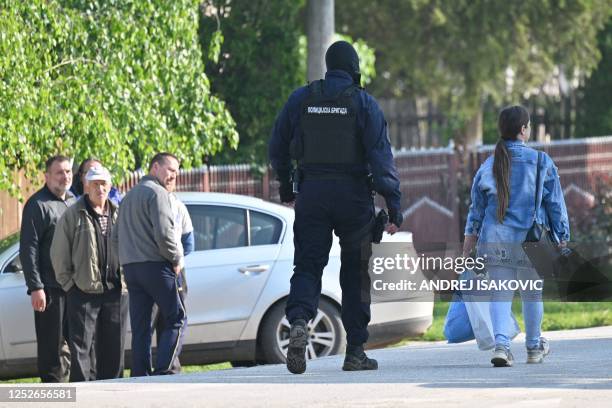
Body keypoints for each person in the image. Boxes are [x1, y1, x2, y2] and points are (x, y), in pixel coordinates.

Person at [268, 40, 403, 374]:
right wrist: (394, 204)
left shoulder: (302, 98)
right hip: (353, 195)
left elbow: (277, 147)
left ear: (328, 67)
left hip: (312, 192)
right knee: (355, 273)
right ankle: (355, 350)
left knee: (308, 265)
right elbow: (381, 159)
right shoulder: (364, 103)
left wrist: (287, 185)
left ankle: (299, 320)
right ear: (354, 67)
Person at [463, 105, 569, 367]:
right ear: (523, 130)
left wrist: (468, 246)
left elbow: (475, 211)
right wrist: (561, 236)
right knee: (532, 294)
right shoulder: (542, 161)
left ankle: (502, 346)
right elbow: (555, 204)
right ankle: (533, 348)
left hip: (495, 240)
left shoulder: (488, 165)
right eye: (529, 125)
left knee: (501, 293)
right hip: (532, 241)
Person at [51, 166, 128, 381]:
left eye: (104, 184)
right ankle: (84, 396)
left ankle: (112, 393)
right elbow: (58, 253)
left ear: (110, 186)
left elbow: (129, 247)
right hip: (83, 292)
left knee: (114, 349)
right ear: (86, 186)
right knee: (81, 351)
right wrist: (70, 287)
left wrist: (125, 281)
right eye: (95, 184)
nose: (100, 188)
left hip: (115, 292)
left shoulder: (118, 213)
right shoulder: (73, 214)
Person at [113, 152, 186, 376]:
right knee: (177, 317)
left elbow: (115, 237)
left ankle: (140, 373)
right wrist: (175, 259)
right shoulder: (159, 193)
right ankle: (163, 369)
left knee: (141, 327)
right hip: (156, 266)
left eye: (176, 171)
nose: (174, 175)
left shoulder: (127, 197)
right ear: (155, 167)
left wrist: (126, 261)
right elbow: (165, 235)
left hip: (131, 269)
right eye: (170, 169)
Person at [20, 155, 76, 382]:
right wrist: (36, 287)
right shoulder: (37, 205)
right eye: (60, 172)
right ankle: (53, 397)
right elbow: (28, 249)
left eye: (68, 172)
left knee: (76, 345)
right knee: (52, 347)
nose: (65, 177)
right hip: (50, 289)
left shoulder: (73, 201)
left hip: (75, 287)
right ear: (47, 176)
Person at [152, 182, 194, 374]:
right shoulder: (161, 203)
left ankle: (166, 366)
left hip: (168, 270)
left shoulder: (177, 205)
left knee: (169, 321)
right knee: (172, 320)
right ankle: (166, 366)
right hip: (165, 269)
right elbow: (188, 243)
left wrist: (176, 259)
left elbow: (188, 242)